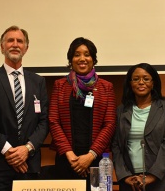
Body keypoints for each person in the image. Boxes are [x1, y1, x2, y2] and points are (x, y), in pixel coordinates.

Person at [0, 25, 49, 191]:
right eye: (10, 40)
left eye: (20, 41)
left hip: (29, 165)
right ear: (2, 46)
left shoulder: (38, 81)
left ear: (26, 48)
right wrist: (9, 151)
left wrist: (27, 149)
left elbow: (44, 121)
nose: (15, 44)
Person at [48, 37, 116, 191]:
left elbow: (110, 123)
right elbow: (53, 121)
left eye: (87, 54)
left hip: (97, 160)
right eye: (77, 54)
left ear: (93, 59)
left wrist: (90, 156)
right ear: (71, 59)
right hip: (66, 159)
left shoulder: (106, 87)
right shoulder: (60, 86)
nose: (82, 59)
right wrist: (70, 155)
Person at [112, 63, 165, 191]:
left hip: (161, 179)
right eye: (136, 79)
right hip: (130, 181)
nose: (141, 82)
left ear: (153, 83)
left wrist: (152, 176)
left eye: (146, 79)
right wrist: (125, 176)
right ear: (130, 84)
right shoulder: (121, 111)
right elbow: (116, 145)